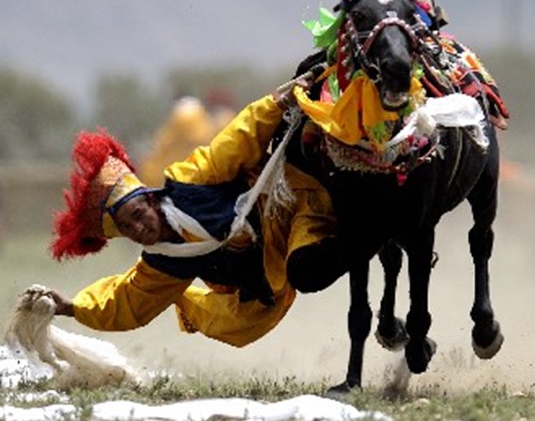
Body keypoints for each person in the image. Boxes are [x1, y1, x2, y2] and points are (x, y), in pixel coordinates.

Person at [42, 84, 346, 348]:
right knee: (239, 325)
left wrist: (275, 104)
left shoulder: (190, 183)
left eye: (137, 214)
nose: (138, 228)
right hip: (263, 281)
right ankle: (185, 301)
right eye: (127, 227)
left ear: (150, 199)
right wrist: (72, 307)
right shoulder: (162, 264)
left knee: (307, 262)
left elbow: (231, 146)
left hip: (293, 208)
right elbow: (128, 302)